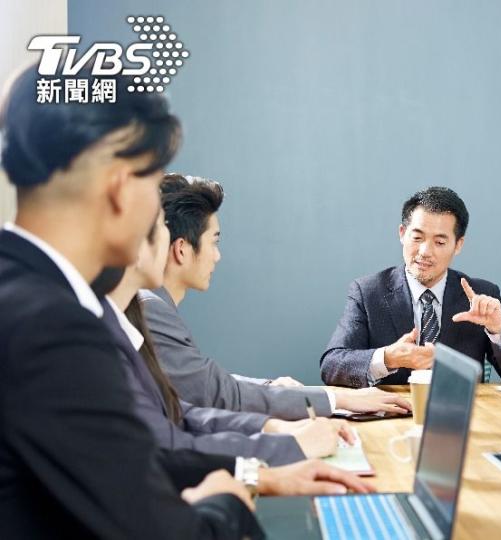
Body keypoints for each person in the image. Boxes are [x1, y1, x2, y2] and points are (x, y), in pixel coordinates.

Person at [0, 66, 370, 539]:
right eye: (152, 184)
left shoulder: (31, 294)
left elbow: (129, 461)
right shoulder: (56, 328)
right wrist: (229, 498)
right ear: (119, 185)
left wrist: (250, 473)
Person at [142, 174, 411, 418]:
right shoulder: (151, 310)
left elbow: (207, 383)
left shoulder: (153, 307)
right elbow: (215, 394)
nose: (217, 255)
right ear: (181, 249)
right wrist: (340, 398)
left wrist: (272, 387)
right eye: (214, 242)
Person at [106, 209, 350, 465]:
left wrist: (271, 427)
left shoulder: (129, 314)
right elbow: (195, 410)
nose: (218, 256)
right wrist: (285, 444)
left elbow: (177, 410)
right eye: (214, 242)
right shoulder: (145, 310)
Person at [320, 186, 501, 388]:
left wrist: (498, 328)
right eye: (417, 237)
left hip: (461, 417)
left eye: (440, 242)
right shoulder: (368, 292)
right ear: (402, 234)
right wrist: (389, 357)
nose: (425, 251)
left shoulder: (482, 295)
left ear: (458, 245)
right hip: (389, 419)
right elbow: (331, 366)